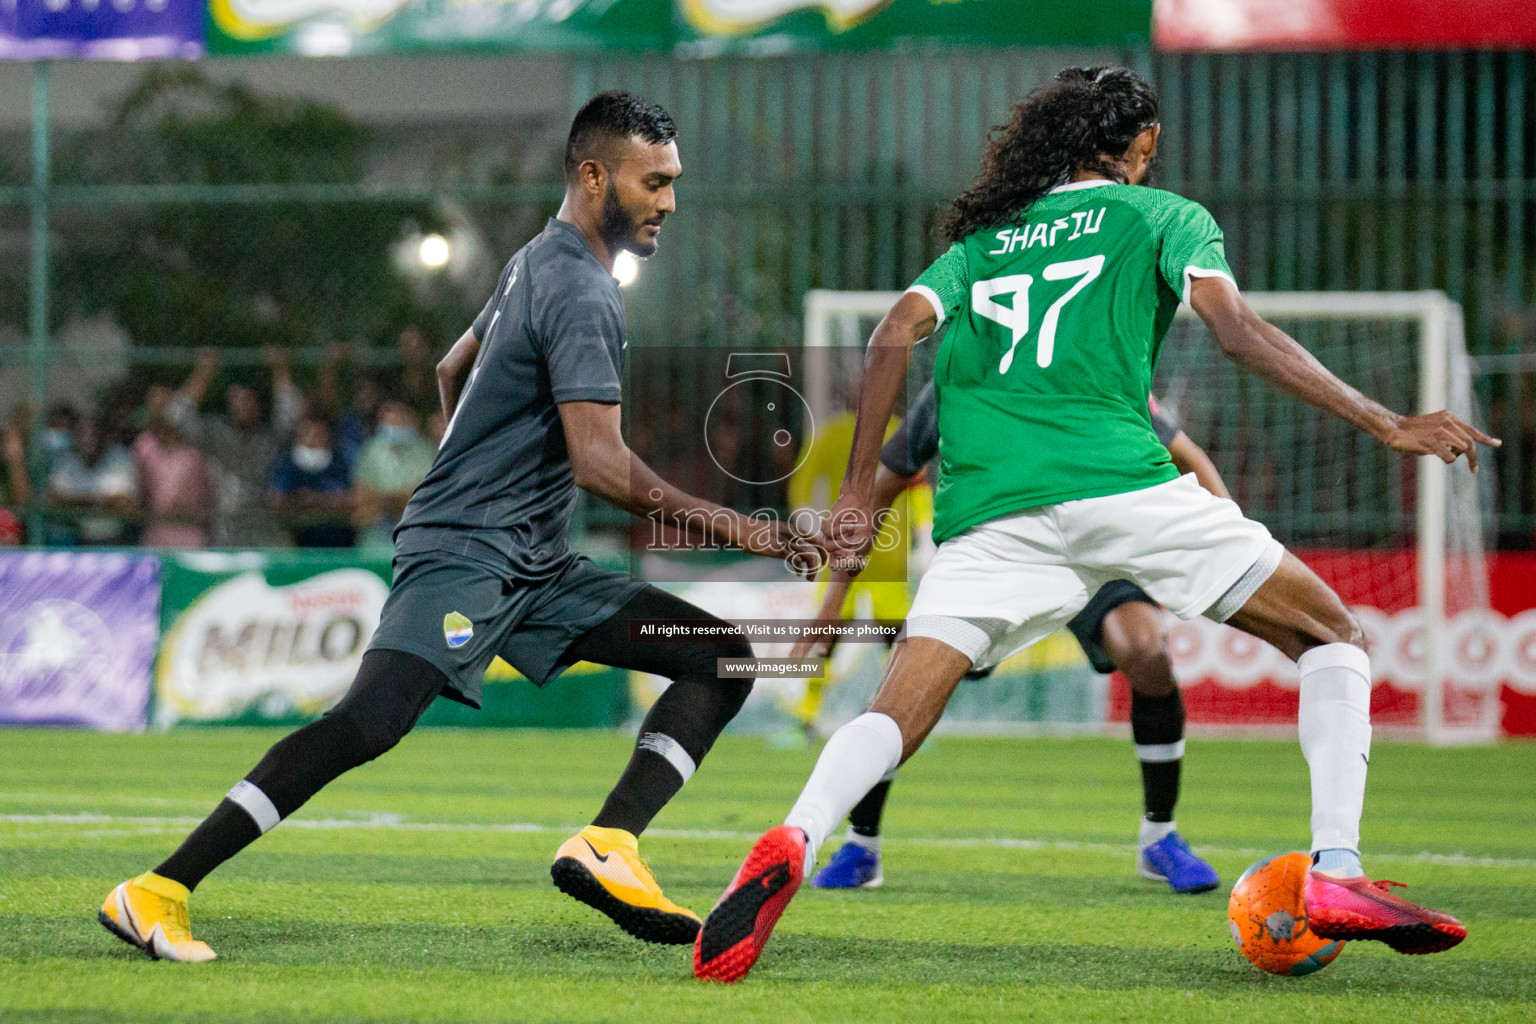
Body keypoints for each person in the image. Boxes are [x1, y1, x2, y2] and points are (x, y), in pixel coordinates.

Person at [694, 65, 1496, 983]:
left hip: (988, 516)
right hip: (1120, 484)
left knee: (895, 711)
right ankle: (1338, 871)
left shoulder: (978, 245)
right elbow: (1236, 333)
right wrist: (1387, 422)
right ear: (1140, 146)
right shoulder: (1165, 218)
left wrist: (847, 500)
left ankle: (794, 833)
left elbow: (885, 338)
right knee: (1333, 636)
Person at [99, 90, 821, 963]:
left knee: (718, 655)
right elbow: (599, 464)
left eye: (673, 182)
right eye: (654, 181)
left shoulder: (534, 260)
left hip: (530, 560)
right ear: (595, 177)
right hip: (471, 551)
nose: (669, 200)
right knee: (369, 723)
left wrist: (480, 460)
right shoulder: (583, 289)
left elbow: (454, 367)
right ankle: (158, 889)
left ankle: (610, 844)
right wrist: (748, 532)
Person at [805, 385, 1225, 894]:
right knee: (904, 683)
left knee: (1147, 651)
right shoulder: (958, 377)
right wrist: (832, 605)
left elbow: (1186, 457)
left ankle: (1160, 837)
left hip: (1096, 546)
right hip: (996, 554)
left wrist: (1239, 560)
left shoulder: (1093, 365)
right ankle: (861, 843)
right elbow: (881, 489)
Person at [168, 346, 304, 546]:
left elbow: (292, 414)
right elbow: (177, 417)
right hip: (224, 531)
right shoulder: (216, 434)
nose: (242, 405)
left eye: (248, 399)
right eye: (237, 399)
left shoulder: (269, 437)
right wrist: (204, 372)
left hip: (263, 530)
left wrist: (280, 368)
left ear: (257, 404)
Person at [352, 398, 437, 551]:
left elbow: (422, 501)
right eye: (390, 420)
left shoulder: (428, 452)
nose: (394, 424)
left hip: (415, 545)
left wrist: (380, 502)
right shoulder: (369, 451)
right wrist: (401, 500)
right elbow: (361, 505)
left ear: (414, 419)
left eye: (400, 419)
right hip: (373, 545)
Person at [46, 416, 140, 546]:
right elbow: (54, 499)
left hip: (112, 539)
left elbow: (127, 503)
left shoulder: (120, 458)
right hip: (74, 538)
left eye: (95, 434)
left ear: (105, 437)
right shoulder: (66, 461)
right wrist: (100, 501)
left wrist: (76, 501)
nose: (89, 440)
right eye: (84, 434)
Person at [133, 399, 214, 549]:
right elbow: (141, 492)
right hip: (156, 532)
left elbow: (206, 495)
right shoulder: (146, 450)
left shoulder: (194, 455)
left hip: (190, 533)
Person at [268, 416, 355, 548]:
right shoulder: (288, 464)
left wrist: (318, 499)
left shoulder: (339, 463)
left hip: (336, 539)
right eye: (309, 434)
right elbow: (277, 500)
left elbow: (348, 499)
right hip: (296, 539)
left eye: (320, 435)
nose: (314, 440)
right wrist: (299, 501)